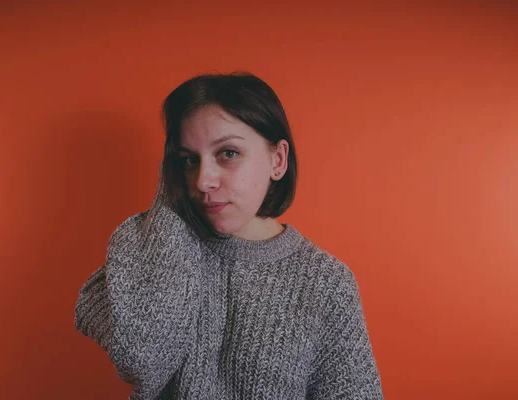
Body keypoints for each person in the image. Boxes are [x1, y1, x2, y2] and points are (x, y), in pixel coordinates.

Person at [74, 72, 384, 399]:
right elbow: (142, 360)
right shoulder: (149, 243)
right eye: (188, 161)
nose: (203, 180)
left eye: (228, 153)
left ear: (277, 160)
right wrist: (171, 198)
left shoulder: (326, 283)